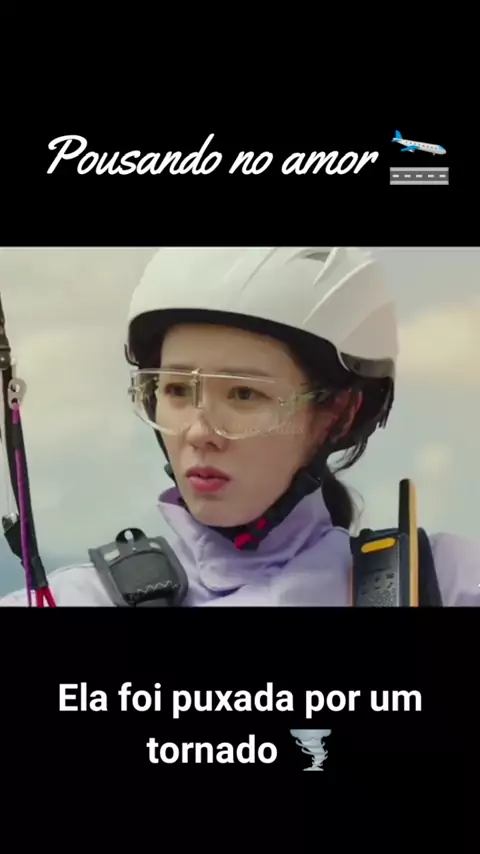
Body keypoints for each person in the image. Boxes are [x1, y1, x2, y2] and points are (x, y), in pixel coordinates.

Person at [1, 247, 479, 606]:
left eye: (244, 395)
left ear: (340, 412)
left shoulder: (447, 584)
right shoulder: (67, 601)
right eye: (176, 390)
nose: (198, 432)